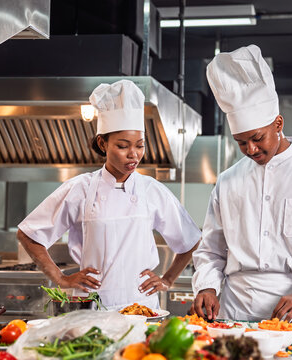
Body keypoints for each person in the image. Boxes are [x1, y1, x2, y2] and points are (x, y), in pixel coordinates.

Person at [191, 45, 292, 326]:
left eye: (258, 138)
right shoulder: (228, 181)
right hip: (233, 313)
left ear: (278, 123)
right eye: (241, 142)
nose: (251, 149)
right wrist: (207, 285)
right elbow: (211, 248)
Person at [17, 80, 201, 310]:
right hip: (92, 307)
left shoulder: (151, 190)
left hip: (142, 307)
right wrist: (61, 278)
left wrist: (167, 279)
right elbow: (28, 234)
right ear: (103, 143)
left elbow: (191, 240)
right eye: (123, 146)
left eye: (140, 146)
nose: (133, 155)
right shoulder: (80, 189)